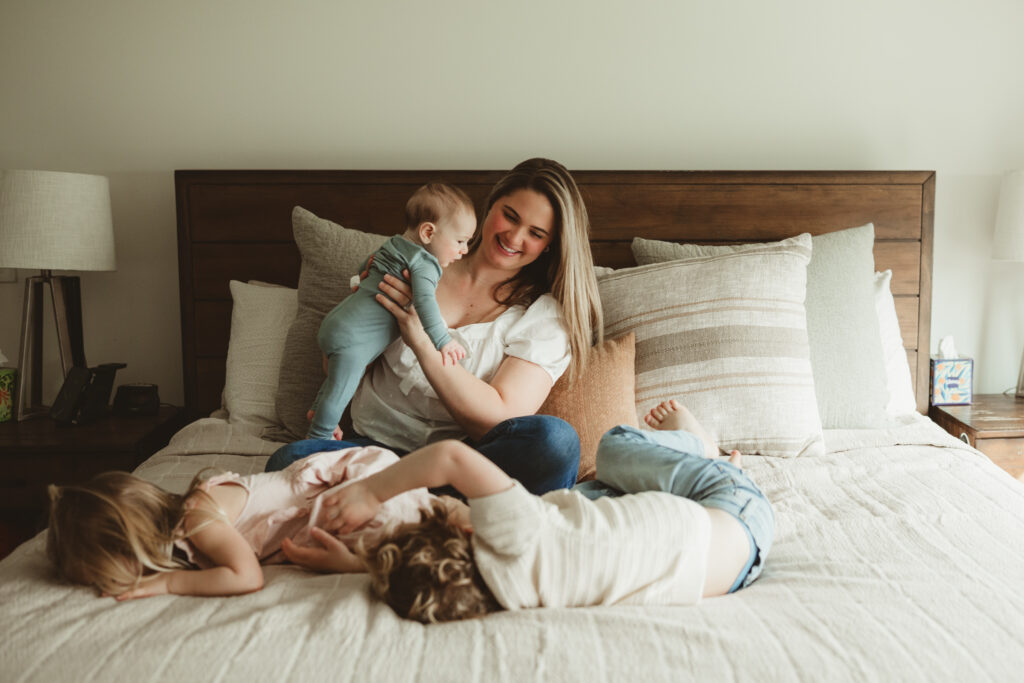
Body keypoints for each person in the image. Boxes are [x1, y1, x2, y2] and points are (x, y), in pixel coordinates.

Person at [267, 159, 604, 496]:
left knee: (556, 442)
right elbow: (338, 363)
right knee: (289, 461)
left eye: (536, 233)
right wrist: (361, 314)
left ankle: (402, 507)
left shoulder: (544, 314)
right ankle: (421, 511)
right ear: (491, 206)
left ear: (550, 245)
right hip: (372, 454)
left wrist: (421, 342)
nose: (514, 237)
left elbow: (497, 419)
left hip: (465, 466)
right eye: (511, 216)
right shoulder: (410, 264)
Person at [310, 400, 774, 623]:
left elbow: (431, 578)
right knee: (613, 446)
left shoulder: (509, 597)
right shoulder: (519, 533)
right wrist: (369, 492)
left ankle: (694, 459)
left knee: (583, 503)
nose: (454, 503)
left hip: (733, 571)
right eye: (454, 509)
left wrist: (362, 564)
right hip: (729, 502)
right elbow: (449, 457)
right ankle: (702, 447)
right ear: (471, 533)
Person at [45, 447, 435, 600]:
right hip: (337, 507)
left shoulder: (197, 518)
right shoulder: (187, 529)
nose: (107, 585)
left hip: (351, 498)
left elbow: (247, 577)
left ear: (131, 539)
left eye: (107, 575)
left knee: (407, 547)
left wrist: (167, 583)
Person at [307, 183, 477, 440]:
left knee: (337, 380)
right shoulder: (425, 264)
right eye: (460, 241)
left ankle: (318, 411)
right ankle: (319, 436)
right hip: (354, 337)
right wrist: (443, 340)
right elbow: (425, 302)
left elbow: (365, 267)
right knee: (343, 387)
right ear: (428, 233)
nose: (464, 250)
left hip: (338, 320)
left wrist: (360, 284)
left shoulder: (393, 244)